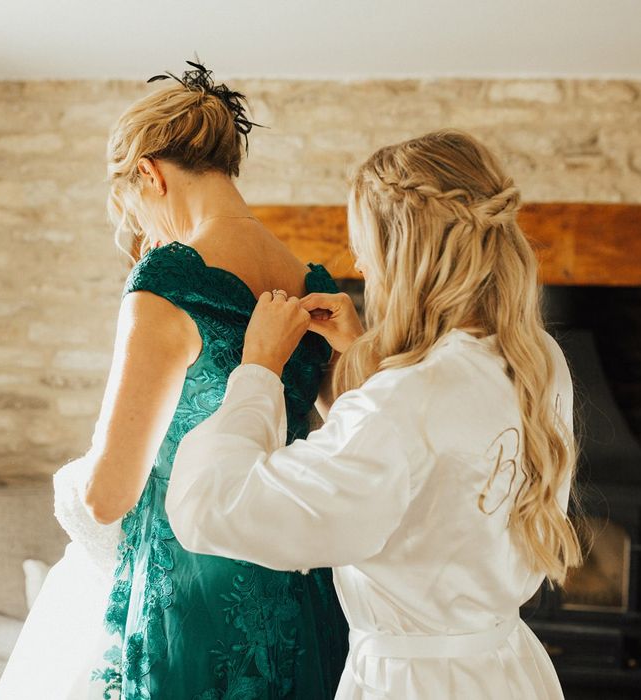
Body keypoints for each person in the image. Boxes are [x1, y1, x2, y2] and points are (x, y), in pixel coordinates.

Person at [166, 129, 584, 699]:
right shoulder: (536, 360)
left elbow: (213, 506)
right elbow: (422, 489)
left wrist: (259, 369)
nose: (358, 263)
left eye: (363, 242)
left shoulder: (402, 404)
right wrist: (363, 355)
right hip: (508, 670)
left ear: (402, 251)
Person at [0, 61, 348, 699]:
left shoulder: (170, 281)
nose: (147, 233)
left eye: (133, 207)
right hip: (302, 582)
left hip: (195, 593)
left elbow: (107, 497)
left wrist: (74, 482)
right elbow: (352, 432)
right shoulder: (314, 285)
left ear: (150, 175)